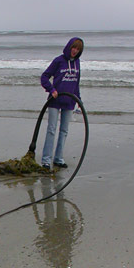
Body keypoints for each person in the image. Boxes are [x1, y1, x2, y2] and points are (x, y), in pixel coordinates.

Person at [40, 37, 84, 170]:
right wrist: (51, 89)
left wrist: (78, 100)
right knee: (51, 130)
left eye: (78, 49)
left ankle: (58, 158)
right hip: (55, 100)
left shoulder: (77, 63)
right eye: (73, 47)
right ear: (69, 47)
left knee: (64, 131)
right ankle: (46, 160)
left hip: (69, 101)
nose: (75, 51)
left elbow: (76, 83)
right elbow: (44, 77)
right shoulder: (59, 61)